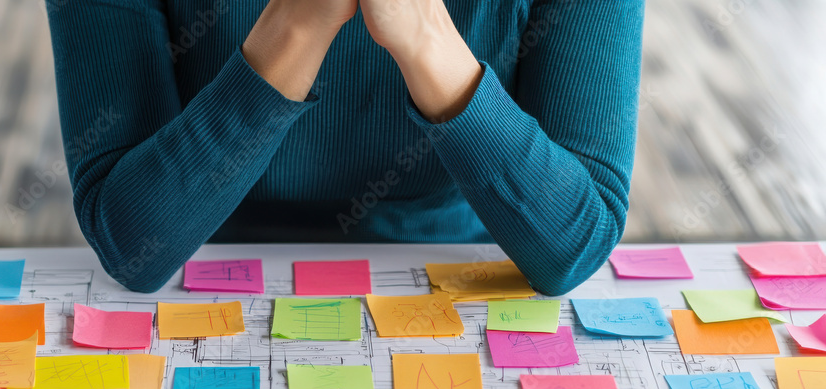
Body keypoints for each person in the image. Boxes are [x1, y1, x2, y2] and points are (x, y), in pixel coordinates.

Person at [46, 0, 645, 295]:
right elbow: (130, 245)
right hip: (202, 273)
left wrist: (428, 41)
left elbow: (575, 240)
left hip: (455, 284)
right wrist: (299, 25)